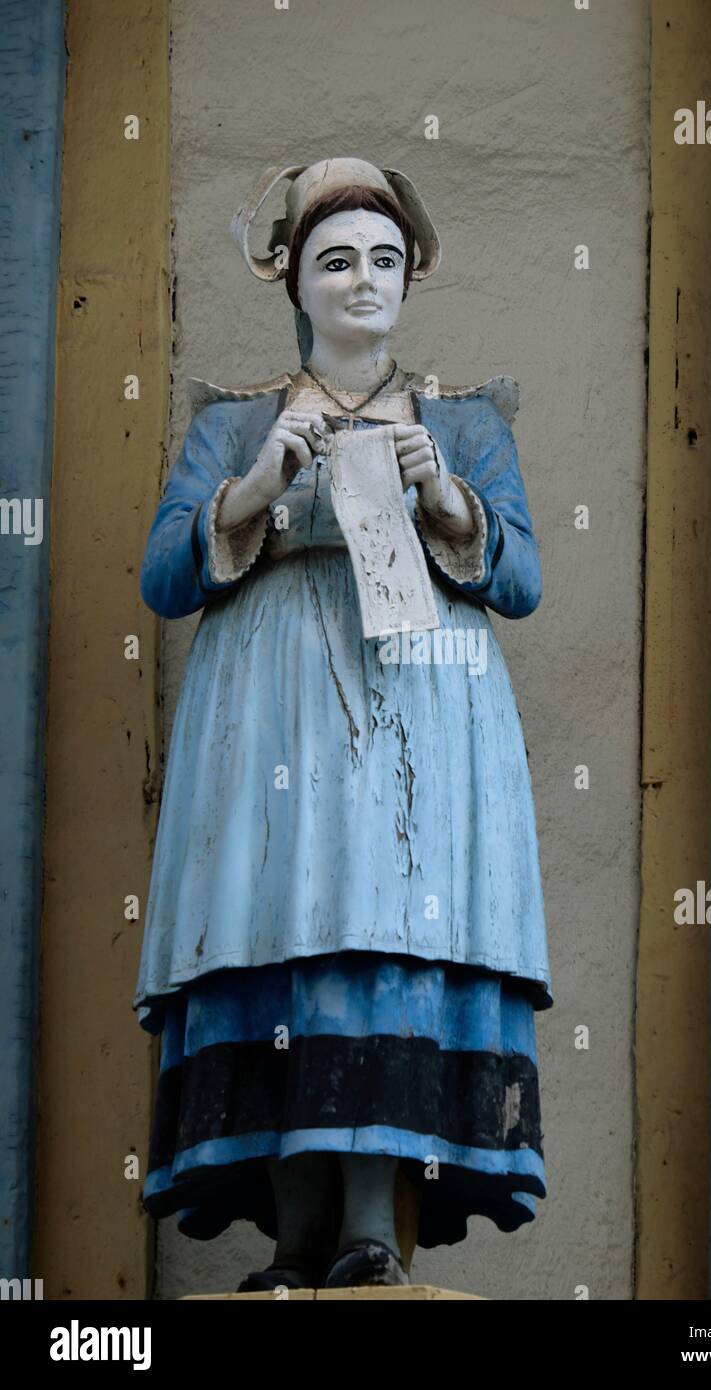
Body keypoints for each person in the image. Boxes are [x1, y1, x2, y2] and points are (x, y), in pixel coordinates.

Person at [134, 157, 552, 1292]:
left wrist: (448, 501)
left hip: (424, 715)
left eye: (382, 259)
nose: (361, 282)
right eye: (334, 262)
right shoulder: (233, 421)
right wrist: (255, 486)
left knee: (387, 937)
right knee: (282, 932)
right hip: (266, 717)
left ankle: (376, 1227)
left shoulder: (462, 422)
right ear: (295, 285)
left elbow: (519, 583)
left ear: (409, 276)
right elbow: (163, 580)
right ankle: (294, 1236)